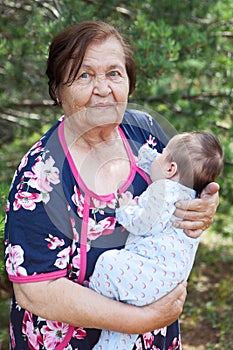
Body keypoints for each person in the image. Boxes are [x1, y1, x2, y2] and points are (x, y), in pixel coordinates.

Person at [4, 21, 220, 350]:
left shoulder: (144, 131)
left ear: (129, 83)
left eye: (114, 74)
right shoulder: (40, 176)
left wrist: (203, 205)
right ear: (58, 90)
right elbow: (36, 290)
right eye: (84, 75)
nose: (103, 88)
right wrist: (143, 320)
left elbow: (182, 188)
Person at [89, 131, 224, 350]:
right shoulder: (188, 193)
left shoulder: (165, 189)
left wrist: (125, 209)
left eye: (163, 153)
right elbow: (159, 164)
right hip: (162, 283)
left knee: (108, 263)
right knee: (120, 334)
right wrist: (151, 157)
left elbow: (145, 223)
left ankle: (93, 298)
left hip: (150, 272)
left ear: (171, 169)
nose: (157, 155)